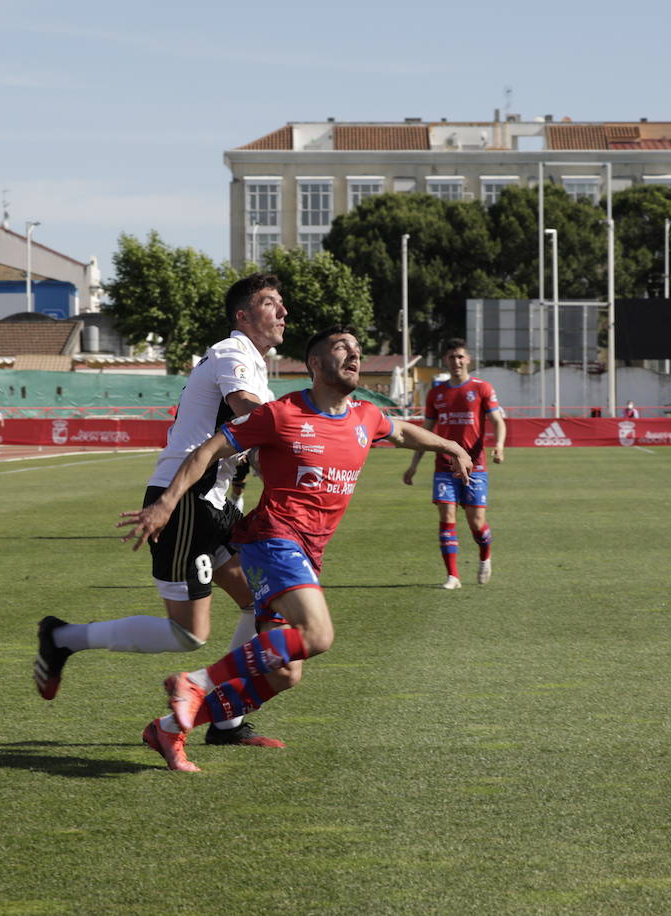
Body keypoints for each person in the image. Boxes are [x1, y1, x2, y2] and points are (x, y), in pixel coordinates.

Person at [119, 326, 475, 771]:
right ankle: (194, 682)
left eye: (357, 349)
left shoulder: (366, 416)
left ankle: (169, 729)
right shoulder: (280, 413)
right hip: (274, 538)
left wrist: (449, 444)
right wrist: (167, 503)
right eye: (341, 347)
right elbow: (210, 448)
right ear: (315, 364)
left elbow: (401, 432)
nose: (354, 354)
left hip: (307, 552)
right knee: (318, 635)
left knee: (284, 672)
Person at [34, 273, 289, 749]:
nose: (283, 312)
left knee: (266, 604)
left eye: (281, 304)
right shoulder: (232, 354)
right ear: (243, 315)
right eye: (271, 303)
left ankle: (226, 723)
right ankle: (63, 637)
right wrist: (301, 437)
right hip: (185, 498)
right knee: (189, 634)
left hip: (215, 504)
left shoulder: (252, 362)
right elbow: (246, 412)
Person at [401, 339, 505, 589]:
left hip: (475, 466)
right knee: (446, 516)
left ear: (468, 359)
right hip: (444, 468)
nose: (456, 361)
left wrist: (499, 446)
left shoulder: (482, 388)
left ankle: (485, 557)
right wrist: (414, 463)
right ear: (445, 361)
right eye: (451, 357)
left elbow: (498, 421)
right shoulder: (436, 393)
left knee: (476, 523)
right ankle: (453, 576)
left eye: (460, 357)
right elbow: (426, 430)